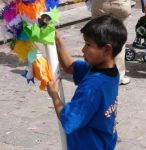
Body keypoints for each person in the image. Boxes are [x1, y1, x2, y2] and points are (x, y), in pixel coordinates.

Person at [47, 15, 127, 150]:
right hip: (105, 142)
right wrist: (58, 40)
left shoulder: (93, 87)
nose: (83, 49)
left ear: (107, 49)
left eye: (88, 44)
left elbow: (69, 120)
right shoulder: (109, 71)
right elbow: (69, 66)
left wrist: (55, 95)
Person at [90, 0, 131, 85]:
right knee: (120, 39)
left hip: (100, 4)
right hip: (121, 4)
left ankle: (98, 73)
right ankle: (118, 76)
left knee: (98, 38)